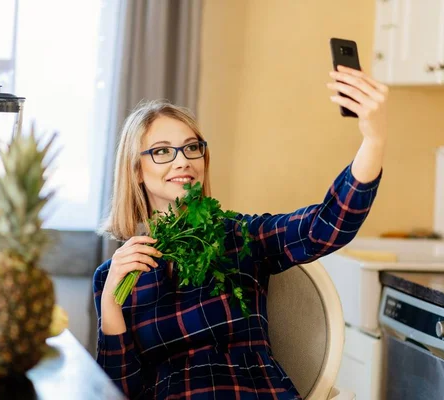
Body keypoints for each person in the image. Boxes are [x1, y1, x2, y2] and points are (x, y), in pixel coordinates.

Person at [94, 65, 387, 399]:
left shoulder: (240, 237)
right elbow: (117, 392)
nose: (183, 161)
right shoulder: (114, 276)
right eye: (162, 151)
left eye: (192, 147)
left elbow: (324, 227)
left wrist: (374, 140)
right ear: (136, 170)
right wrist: (110, 303)